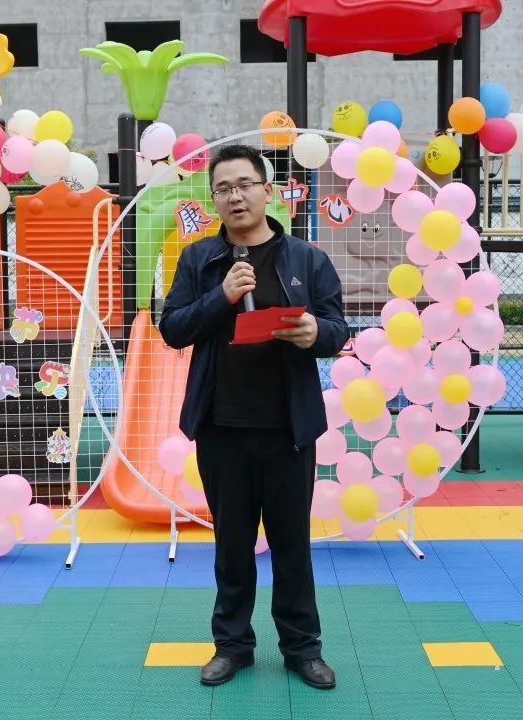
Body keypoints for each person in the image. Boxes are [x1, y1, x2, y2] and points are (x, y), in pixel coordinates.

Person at [159, 144, 349, 689]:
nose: (235, 196)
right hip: (221, 428)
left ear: (267, 191)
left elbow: (338, 328)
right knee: (232, 545)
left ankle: (302, 649)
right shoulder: (198, 259)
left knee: (292, 545)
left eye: (244, 185)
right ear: (213, 199)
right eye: (223, 188)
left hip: (289, 429)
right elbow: (172, 328)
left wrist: (316, 332)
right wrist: (220, 296)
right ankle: (232, 646)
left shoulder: (307, 260)